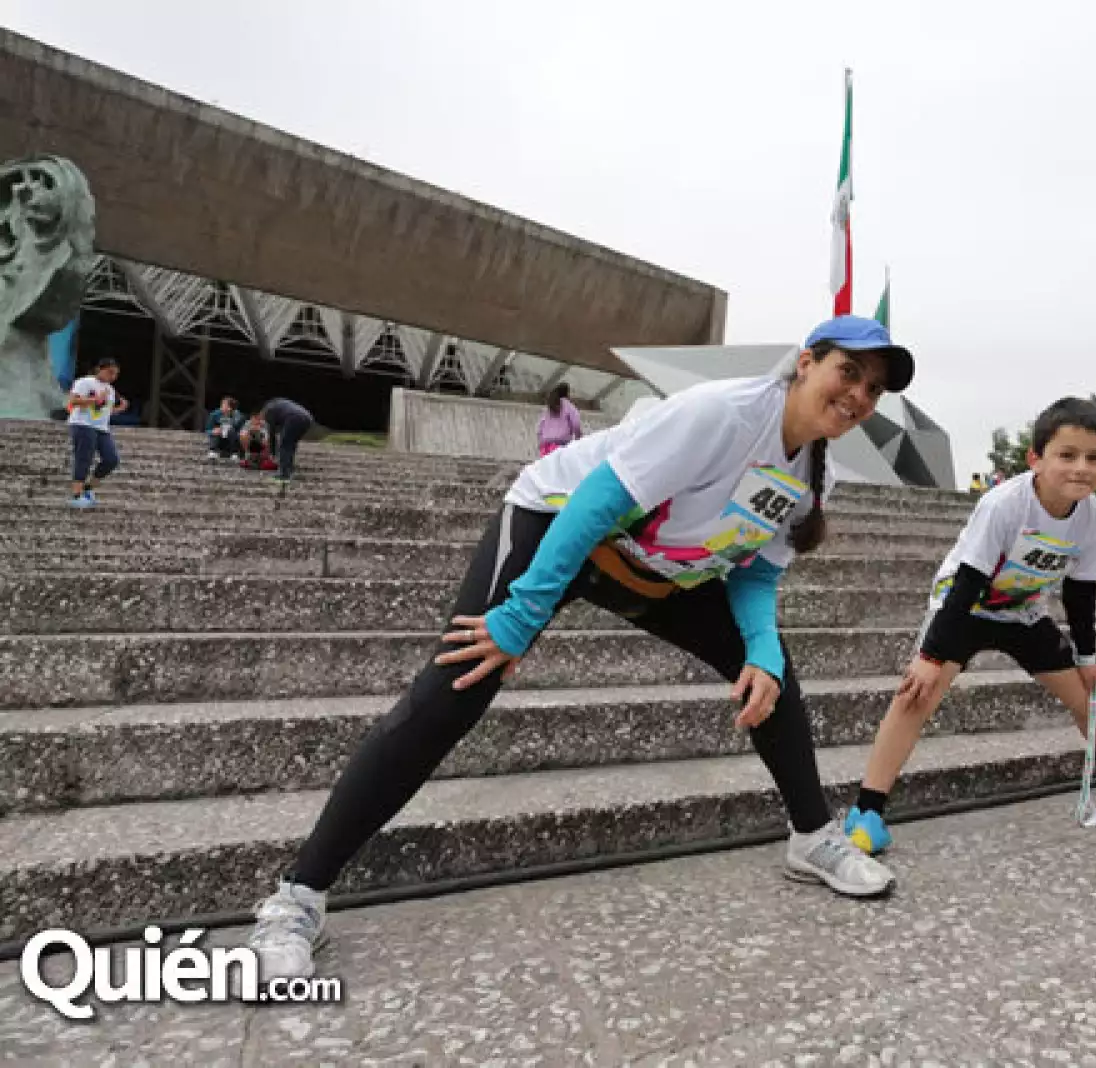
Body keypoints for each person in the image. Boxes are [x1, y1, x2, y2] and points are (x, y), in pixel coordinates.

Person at [244, 315, 917, 980]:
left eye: (874, 388)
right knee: (458, 683)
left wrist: (763, 648)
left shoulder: (816, 475)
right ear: (806, 363)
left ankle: (812, 839)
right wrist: (520, 615)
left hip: (652, 564)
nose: (858, 395)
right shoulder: (724, 413)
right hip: (557, 524)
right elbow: (595, 501)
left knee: (769, 676)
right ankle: (299, 895)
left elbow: (758, 570)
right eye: (848, 372)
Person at [843, 398, 1096, 855]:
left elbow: (1081, 595)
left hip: (1021, 611)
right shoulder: (1005, 504)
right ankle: (867, 813)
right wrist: (929, 658)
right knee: (916, 697)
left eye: (1094, 458)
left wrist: (1088, 660)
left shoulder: (1095, 516)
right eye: (1067, 455)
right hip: (964, 607)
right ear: (1036, 459)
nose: (1081, 468)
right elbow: (967, 583)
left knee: (1087, 698)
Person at [64, 358, 127, 509]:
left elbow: (104, 410)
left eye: (116, 374)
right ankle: (76, 495)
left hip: (101, 427)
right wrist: (95, 399)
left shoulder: (110, 390)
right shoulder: (85, 382)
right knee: (84, 458)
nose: (112, 377)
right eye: (110, 372)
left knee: (112, 459)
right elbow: (73, 401)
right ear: (100, 369)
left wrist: (120, 409)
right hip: (82, 424)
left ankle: (88, 488)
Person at [258, 398, 314, 482]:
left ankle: (283, 474)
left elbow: (272, 433)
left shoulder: (268, 411)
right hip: (307, 418)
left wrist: (273, 453)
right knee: (291, 444)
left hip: (294, 417)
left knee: (284, 445)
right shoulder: (277, 404)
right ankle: (289, 469)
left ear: (261, 413)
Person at [537, 382, 585, 457]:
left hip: (545, 448)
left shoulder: (549, 407)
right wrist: (579, 439)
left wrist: (541, 444)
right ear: (567, 393)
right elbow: (576, 423)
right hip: (560, 447)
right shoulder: (568, 406)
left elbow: (540, 428)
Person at [204, 396, 246, 461]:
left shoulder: (239, 416)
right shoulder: (214, 415)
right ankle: (212, 451)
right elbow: (207, 430)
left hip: (233, 440)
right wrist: (213, 431)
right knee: (216, 430)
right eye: (223, 404)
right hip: (220, 439)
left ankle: (234, 453)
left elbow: (241, 431)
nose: (223, 407)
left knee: (231, 431)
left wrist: (231, 420)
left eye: (225, 405)